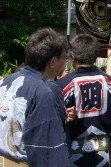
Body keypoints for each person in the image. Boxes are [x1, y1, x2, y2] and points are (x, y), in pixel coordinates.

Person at [57, 34, 111, 167]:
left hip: (69, 155)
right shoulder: (109, 82)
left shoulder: (64, 84)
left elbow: (53, 122)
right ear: (96, 57)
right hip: (101, 155)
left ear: (72, 57)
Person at [0, 28, 71, 167]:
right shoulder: (41, 92)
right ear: (53, 61)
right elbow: (45, 150)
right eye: (65, 58)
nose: (65, 63)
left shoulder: (6, 81)